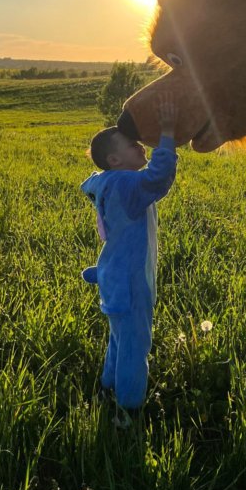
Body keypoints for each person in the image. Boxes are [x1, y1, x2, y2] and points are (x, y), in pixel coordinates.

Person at [81, 94, 177, 413]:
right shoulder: (126, 184)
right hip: (132, 283)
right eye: (130, 144)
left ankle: (109, 385)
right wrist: (168, 133)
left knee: (119, 339)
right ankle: (129, 408)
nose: (139, 146)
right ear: (114, 160)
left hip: (114, 278)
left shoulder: (110, 182)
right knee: (135, 346)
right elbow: (159, 178)